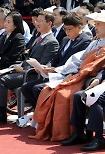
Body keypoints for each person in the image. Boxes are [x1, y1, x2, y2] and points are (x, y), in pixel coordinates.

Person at [28, 10, 105, 142]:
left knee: (67, 95)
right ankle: (69, 131)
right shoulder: (95, 42)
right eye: (95, 24)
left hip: (93, 78)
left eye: (99, 24)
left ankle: (82, 134)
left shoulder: (88, 40)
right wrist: (57, 70)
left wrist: (97, 77)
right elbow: (78, 61)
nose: (95, 27)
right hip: (82, 75)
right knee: (50, 91)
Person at [0, 10, 59, 124]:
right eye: (36, 20)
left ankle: (1, 114)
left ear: (49, 23)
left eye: (40, 21)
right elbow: (27, 58)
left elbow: (43, 65)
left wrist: (23, 69)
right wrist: (17, 66)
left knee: (1, 80)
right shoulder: (38, 38)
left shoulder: (51, 42)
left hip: (32, 75)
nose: (37, 23)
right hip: (22, 70)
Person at [21, 12, 91, 108]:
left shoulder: (85, 41)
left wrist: (54, 69)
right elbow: (56, 58)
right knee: (26, 87)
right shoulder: (65, 39)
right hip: (55, 74)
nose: (67, 32)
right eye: (65, 29)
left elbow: (76, 63)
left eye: (69, 29)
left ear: (79, 27)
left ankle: (44, 115)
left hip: (68, 75)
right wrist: (46, 66)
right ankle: (38, 113)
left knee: (37, 89)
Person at [61, 69, 105, 151]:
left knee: (95, 99)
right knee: (79, 96)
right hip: (102, 88)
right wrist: (90, 87)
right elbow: (101, 75)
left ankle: (99, 138)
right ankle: (80, 133)